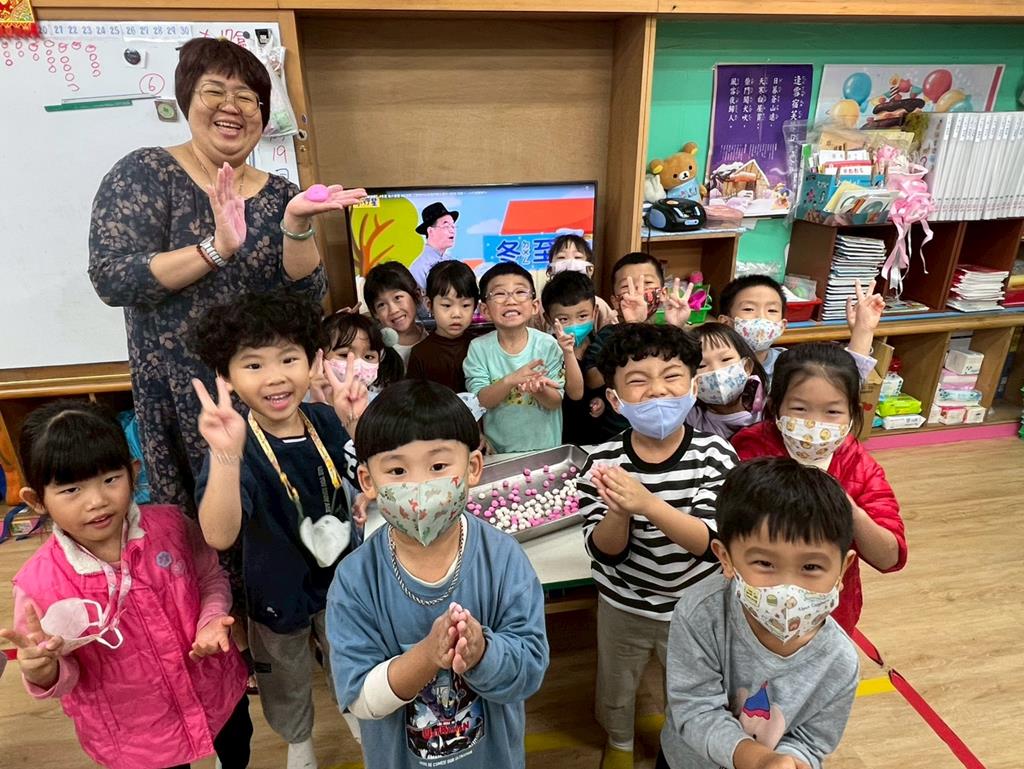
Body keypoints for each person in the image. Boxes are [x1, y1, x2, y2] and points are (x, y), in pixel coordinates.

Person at [88, 36, 365, 513]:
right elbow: (113, 277)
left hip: (270, 391)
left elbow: (306, 298)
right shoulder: (146, 172)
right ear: (187, 99)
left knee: (281, 518)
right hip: (183, 391)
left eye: (247, 97)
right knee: (207, 522)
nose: (231, 107)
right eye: (214, 91)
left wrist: (297, 225)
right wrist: (216, 249)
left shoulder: (281, 194)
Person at [1, 401, 251, 769]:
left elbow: (210, 577)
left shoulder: (171, 526)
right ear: (37, 500)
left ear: (133, 473)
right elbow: (64, 676)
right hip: (136, 732)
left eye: (110, 479)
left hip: (215, 688)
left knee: (237, 745)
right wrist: (43, 671)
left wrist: (211, 618)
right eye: (71, 490)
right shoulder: (38, 584)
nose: (97, 501)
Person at [326, 380, 549, 769]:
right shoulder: (355, 580)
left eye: (439, 466)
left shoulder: (504, 559)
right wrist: (428, 655)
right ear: (368, 482)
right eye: (397, 470)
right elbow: (361, 698)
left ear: (473, 468)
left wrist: (482, 653)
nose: (419, 487)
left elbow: (529, 671)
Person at [190, 290, 369, 769]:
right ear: (227, 377)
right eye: (253, 365)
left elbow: (369, 479)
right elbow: (218, 535)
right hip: (276, 588)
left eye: (288, 358)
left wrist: (357, 423)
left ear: (313, 362)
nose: (274, 377)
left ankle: (359, 717)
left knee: (351, 653)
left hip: (344, 580)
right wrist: (224, 456)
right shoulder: (236, 444)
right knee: (284, 674)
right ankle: (300, 743)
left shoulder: (327, 419)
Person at [577, 323, 738, 769]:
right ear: (615, 399)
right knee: (616, 682)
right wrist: (619, 511)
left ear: (693, 387)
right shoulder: (601, 462)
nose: (657, 391)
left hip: (695, 605)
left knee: (689, 686)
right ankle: (619, 741)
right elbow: (606, 552)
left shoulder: (715, 455)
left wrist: (646, 503)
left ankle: (679, 743)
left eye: (671, 376)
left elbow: (711, 543)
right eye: (638, 381)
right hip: (623, 601)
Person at [657, 458, 860, 769]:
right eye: (765, 564)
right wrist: (760, 760)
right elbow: (695, 709)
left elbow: (812, 741)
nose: (788, 589)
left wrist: (790, 762)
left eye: (811, 566)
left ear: (842, 569)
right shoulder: (701, 614)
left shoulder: (840, 660)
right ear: (725, 558)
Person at [731, 343, 908, 634]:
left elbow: (889, 557)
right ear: (775, 406)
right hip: (754, 605)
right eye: (800, 409)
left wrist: (847, 508)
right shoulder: (749, 450)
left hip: (829, 614)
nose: (814, 423)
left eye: (832, 411)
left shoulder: (859, 466)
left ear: (852, 413)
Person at [582, 253, 693, 440]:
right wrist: (632, 329)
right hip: (617, 434)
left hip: (670, 431)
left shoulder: (671, 332)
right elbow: (592, 379)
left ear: (662, 293)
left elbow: (690, 373)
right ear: (615, 301)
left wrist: (677, 328)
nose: (638, 293)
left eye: (647, 284)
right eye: (627, 287)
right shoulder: (608, 335)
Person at [463, 263, 565, 453]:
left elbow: (555, 401)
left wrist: (539, 390)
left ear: (534, 306)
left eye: (520, 292)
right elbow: (480, 401)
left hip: (545, 450)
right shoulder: (478, 348)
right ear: (485, 310)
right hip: (498, 453)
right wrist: (511, 380)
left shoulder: (548, 345)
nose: (510, 300)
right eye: (499, 294)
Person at [718, 276, 882, 382]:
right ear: (726, 322)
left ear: (782, 325)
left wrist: (863, 330)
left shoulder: (791, 364)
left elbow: (842, 386)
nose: (762, 317)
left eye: (772, 310)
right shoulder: (712, 365)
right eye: (748, 309)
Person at [541, 270, 610, 445]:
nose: (574, 325)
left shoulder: (603, 345)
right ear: (548, 319)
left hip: (598, 438)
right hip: (560, 439)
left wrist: (601, 401)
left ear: (595, 312)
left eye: (582, 316)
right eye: (564, 319)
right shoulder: (546, 352)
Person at [407, 260, 481, 392]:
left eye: (465, 305)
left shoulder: (481, 347)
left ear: (475, 306)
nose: (456, 314)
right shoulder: (420, 353)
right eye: (447, 305)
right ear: (429, 305)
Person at [687, 322, 769, 440]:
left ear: (747, 367)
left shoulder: (770, 407)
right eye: (701, 365)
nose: (716, 370)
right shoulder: (690, 419)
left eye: (726, 359)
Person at [311, 311, 404, 402]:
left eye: (369, 357)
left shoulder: (381, 405)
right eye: (345, 355)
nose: (358, 366)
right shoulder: (305, 403)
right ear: (320, 356)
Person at [543, 234, 617, 330]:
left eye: (577, 257)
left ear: (590, 269)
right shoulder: (540, 307)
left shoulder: (599, 304)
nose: (570, 262)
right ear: (550, 269)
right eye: (561, 257)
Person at [364, 261, 429, 366]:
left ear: (416, 296)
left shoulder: (432, 339)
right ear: (375, 313)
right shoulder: (375, 350)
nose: (393, 310)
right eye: (381, 305)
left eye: (397, 298)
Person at [409, 202, 459, 289]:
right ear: (430, 231)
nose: (452, 231)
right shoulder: (419, 268)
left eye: (453, 226)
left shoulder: (452, 261)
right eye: (446, 226)